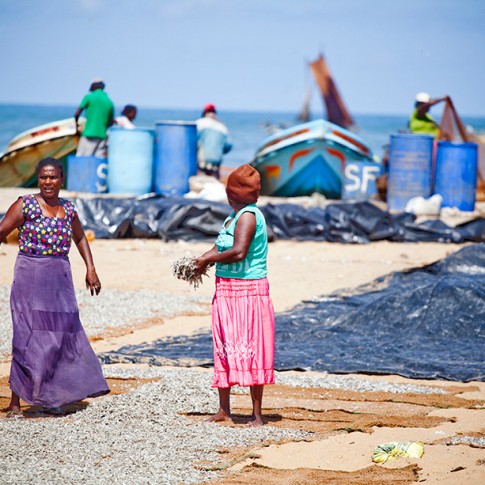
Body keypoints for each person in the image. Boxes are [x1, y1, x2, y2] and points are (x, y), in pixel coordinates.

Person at [0, 158, 110, 418]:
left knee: (59, 333)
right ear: (37, 179)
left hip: (60, 277)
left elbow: (80, 237)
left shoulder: (69, 209)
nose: (48, 182)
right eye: (43, 177)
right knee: (26, 334)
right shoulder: (25, 204)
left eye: (53, 177)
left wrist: (90, 268)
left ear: (62, 179)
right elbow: (1, 231)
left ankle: (52, 396)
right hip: (30, 274)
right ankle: (16, 401)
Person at [193, 164, 274, 426]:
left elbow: (239, 251)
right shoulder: (232, 217)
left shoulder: (249, 216)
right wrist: (198, 261)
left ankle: (257, 415)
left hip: (248, 291)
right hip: (226, 290)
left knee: (253, 348)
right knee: (225, 346)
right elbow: (219, 245)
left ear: (232, 194)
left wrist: (208, 261)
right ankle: (224, 410)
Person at [74, 79, 114, 158]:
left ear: (94, 86)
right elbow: (110, 122)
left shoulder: (89, 97)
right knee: (98, 159)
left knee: (81, 157)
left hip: (89, 133)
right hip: (102, 135)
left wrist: (77, 127)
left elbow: (77, 114)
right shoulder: (109, 101)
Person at [196, 103, 232, 180]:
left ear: (204, 113)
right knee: (215, 182)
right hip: (217, 162)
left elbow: (192, 141)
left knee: (201, 181)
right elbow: (228, 146)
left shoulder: (199, 123)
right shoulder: (222, 127)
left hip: (202, 160)